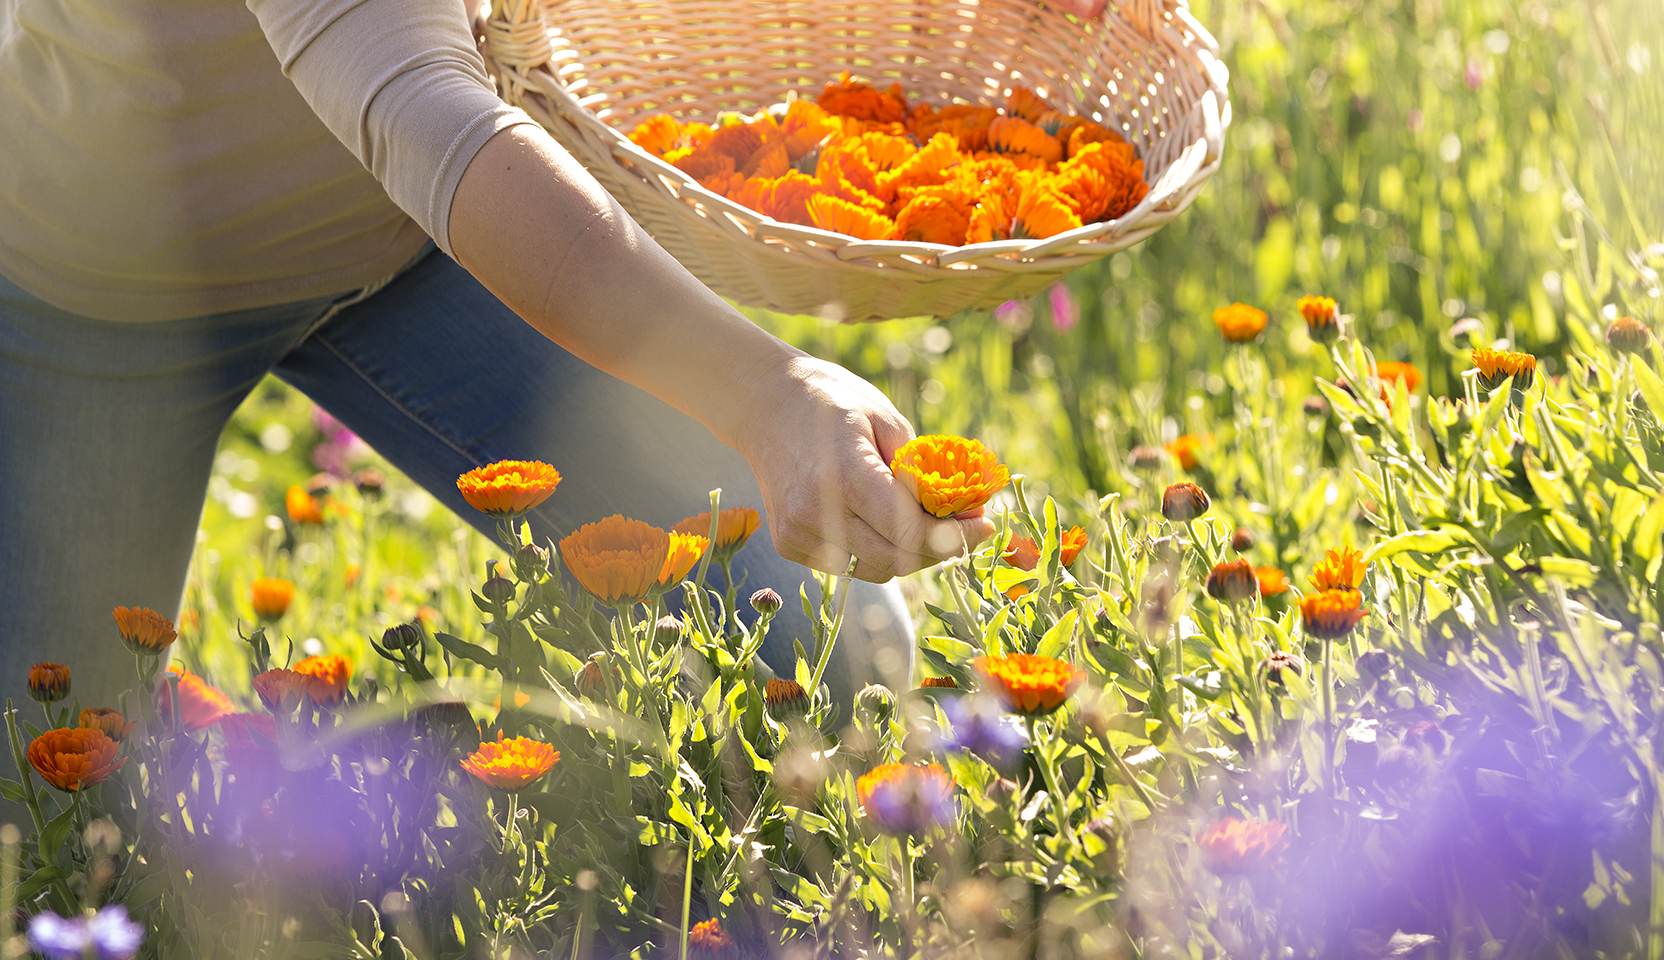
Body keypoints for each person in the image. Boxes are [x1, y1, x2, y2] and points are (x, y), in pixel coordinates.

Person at [0, 0, 1106, 704]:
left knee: (824, 655)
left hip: (410, 247)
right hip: (95, 290)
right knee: (53, 820)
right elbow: (429, 115)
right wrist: (767, 397)